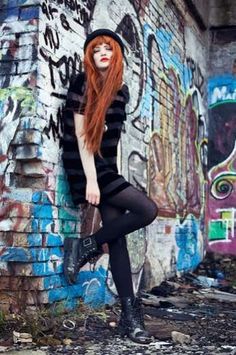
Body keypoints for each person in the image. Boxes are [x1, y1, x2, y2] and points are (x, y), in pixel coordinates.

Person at [62, 28, 158, 344]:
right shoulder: (82, 83)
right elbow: (81, 136)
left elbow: (112, 141)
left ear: (116, 54)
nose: (102, 52)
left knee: (116, 238)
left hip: (108, 168)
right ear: (90, 55)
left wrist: (105, 174)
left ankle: (128, 318)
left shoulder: (121, 90)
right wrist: (91, 179)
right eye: (96, 48)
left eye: (108, 47)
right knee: (147, 209)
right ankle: (87, 245)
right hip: (85, 165)